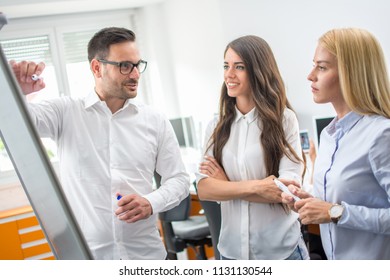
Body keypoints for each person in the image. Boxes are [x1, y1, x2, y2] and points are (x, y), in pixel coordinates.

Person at [10, 27, 190, 260]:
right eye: (125, 66)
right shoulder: (65, 113)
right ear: (97, 67)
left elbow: (179, 180)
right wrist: (15, 93)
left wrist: (150, 201)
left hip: (146, 256)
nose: (135, 74)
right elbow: (15, 127)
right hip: (90, 258)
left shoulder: (154, 120)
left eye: (137, 65)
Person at [196, 35, 309, 260]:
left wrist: (227, 186)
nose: (229, 74)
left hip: (281, 251)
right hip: (232, 252)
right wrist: (259, 187)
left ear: (258, 70)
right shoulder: (216, 127)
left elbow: (286, 193)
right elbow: (205, 189)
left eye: (239, 67)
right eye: (226, 66)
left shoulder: (284, 120)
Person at [282, 28, 390, 260]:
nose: (311, 75)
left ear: (352, 73)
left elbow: (335, 210)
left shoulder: (381, 134)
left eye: (322, 67)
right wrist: (309, 201)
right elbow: (335, 203)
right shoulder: (329, 136)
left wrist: (334, 212)